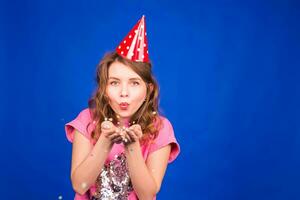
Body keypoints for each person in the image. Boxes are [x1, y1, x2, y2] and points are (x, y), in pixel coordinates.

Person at [65, 15, 180, 200]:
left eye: (134, 83)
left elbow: (147, 195)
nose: (123, 93)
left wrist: (132, 145)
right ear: (104, 88)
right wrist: (104, 141)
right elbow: (80, 184)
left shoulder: (160, 129)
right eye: (115, 83)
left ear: (148, 90)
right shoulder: (87, 120)